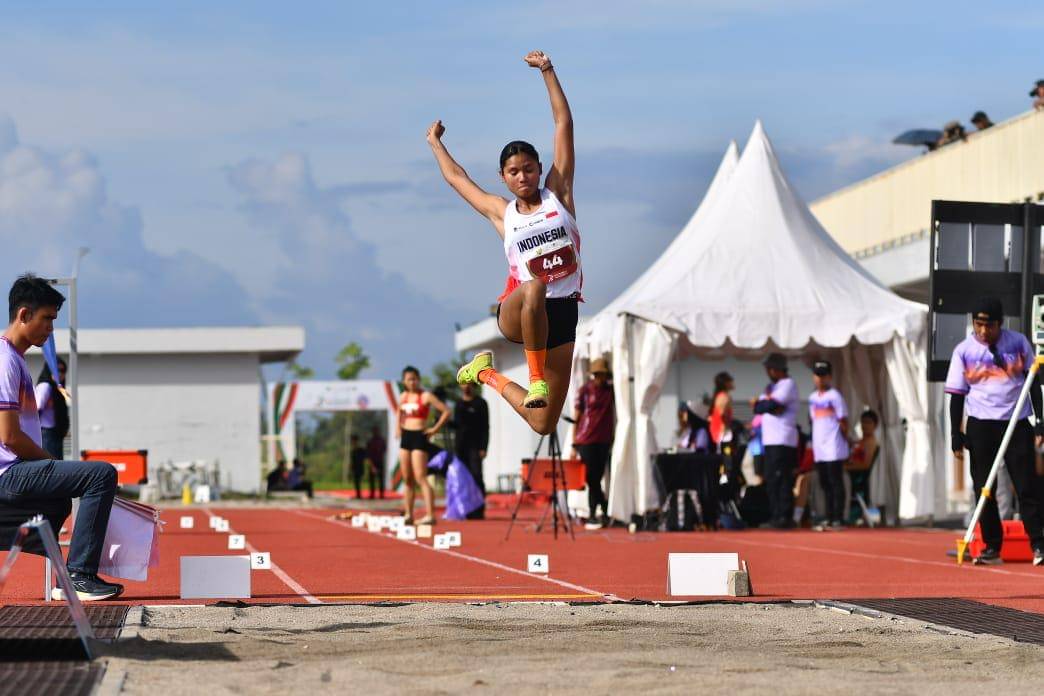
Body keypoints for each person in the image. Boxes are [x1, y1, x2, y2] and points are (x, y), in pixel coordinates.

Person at [429, 50, 582, 436]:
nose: (523, 176)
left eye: (529, 168)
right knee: (534, 286)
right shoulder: (503, 213)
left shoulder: (558, 195)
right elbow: (458, 180)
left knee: (543, 423)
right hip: (520, 309)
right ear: (503, 177)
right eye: (514, 171)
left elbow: (563, 124)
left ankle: (485, 374)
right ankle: (536, 378)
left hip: (563, 313)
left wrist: (547, 70)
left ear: (540, 169)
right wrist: (435, 143)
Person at [0, 274, 121, 600]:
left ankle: (62, 580)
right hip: (8, 473)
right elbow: (9, 436)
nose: (51, 329)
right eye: (47, 319)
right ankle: (80, 575)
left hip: (12, 471)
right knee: (100, 474)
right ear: (24, 315)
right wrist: (50, 461)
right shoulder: (5, 361)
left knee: (58, 501)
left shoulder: (14, 359)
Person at [946, 297, 1044, 566]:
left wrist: (1040, 421)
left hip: (1016, 423)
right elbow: (956, 395)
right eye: (978, 324)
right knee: (984, 487)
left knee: (1026, 485)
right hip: (981, 424)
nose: (983, 331)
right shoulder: (964, 351)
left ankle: (1039, 543)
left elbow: (1033, 382)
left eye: (989, 325)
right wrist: (956, 433)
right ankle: (992, 545)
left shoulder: (1018, 343)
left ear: (1000, 324)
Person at [752, 352, 799, 528]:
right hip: (770, 440)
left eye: (769, 369)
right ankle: (775, 514)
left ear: (777, 369)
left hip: (783, 439)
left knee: (782, 478)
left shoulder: (787, 384)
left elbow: (768, 405)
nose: (768, 372)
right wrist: (765, 406)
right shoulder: (770, 388)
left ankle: (784, 516)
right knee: (771, 478)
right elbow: (759, 407)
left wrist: (766, 406)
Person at [397, 365, 450, 525]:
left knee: (420, 477)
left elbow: (446, 411)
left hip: (420, 436)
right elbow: (399, 413)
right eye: (409, 379)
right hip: (405, 437)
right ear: (404, 381)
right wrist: (397, 429)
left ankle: (430, 514)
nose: (412, 382)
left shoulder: (426, 396)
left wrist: (434, 429)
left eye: (414, 379)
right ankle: (408, 514)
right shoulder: (403, 396)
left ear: (418, 379)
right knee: (407, 479)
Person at [571, 357, 614, 529]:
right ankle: (599, 509)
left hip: (603, 439)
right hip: (586, 439)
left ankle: (595, 513)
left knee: (597, 476)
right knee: (591, 478)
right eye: (596, 374)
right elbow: (577, 416)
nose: (599, 378)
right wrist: (574, 442)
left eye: (602, 374)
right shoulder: (585, 391)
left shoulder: (610, 391)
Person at [808, 360, 849, 530]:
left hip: (834, 446)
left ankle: (838, 517)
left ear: (830, 377)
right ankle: (827, 516)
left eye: (824, 375)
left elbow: (843, 420)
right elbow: (812, 421)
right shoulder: (811, 398)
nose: (820, 379)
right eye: (817, 375)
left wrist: (845, 440)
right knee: (824, 483)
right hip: (820, 448)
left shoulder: (835, 396)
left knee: (835, 482)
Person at [453, 382, 489, 519]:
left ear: (473, 386)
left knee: (476, 476)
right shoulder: (458, 404)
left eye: (469, 384)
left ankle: (479, 509)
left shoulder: (481, 403)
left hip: (475, 446)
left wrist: (483, 447)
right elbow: (457, 425)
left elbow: (486, 427)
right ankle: (466, 509)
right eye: (463, 384)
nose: (466, 387)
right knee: (463, 478)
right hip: (460, 446)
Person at [847, 409, 880, 518]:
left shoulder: (871, 442)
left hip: (858, 477)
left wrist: (845, 467)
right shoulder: (860, 441)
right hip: (851, 473)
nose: (865, 425)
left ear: (875, 425)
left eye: (868, 422)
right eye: (863, 422)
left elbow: (865, 465)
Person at [36, 357, 69, 460]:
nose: (59, 373)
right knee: (52, 467)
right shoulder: (46, 386)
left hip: (55, 433)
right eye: (56, 370)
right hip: (46, 433)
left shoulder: (57, 388)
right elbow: (36, 407)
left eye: (62, 370)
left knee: (57, 466)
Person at [708, 372, 734, 450]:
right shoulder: (724, 396)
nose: (732, 383)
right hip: (721, 432)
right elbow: (722, 415)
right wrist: (726, 429)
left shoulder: (719, 395)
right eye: (730, 381)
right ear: (726, 383)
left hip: (718, 431)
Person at [366, 426, 386, 499]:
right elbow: (368, 454)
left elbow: (384, 450)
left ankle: (381, 494)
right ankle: (372, 494)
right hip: (372, 462)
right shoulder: (370, 441)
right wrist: (372, 465)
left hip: (380, 461)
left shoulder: (381, 440)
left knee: (381, 479)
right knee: (372, 480)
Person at [349, 435, 367, 499]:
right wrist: (351, 467)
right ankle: (358, 494)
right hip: (355, 468)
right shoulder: (353, 450)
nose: (353, 442)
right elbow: (352, 460)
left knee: (358, 481)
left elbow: (364, 457)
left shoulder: (360, 450)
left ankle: (359, 495)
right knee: (356, 482)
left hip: (359, 467)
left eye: (354, 440)